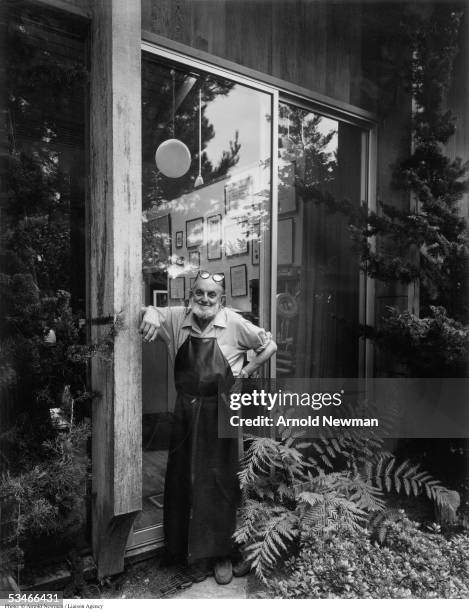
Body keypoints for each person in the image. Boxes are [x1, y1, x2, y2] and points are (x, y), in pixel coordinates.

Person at [140, 271, 276, 584]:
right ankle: (186, 551)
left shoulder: (234, 322)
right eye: (199, 293)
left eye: (211, 295)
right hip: (185, 410)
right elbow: (149, 313)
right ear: (191, 295)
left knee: (221, 481)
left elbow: (269, 346)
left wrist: (244, 373)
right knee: (182, 478)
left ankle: (222, 554)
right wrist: (147, 311)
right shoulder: (179, 318)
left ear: (221, 299)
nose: (204, 299)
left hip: (222, 410)